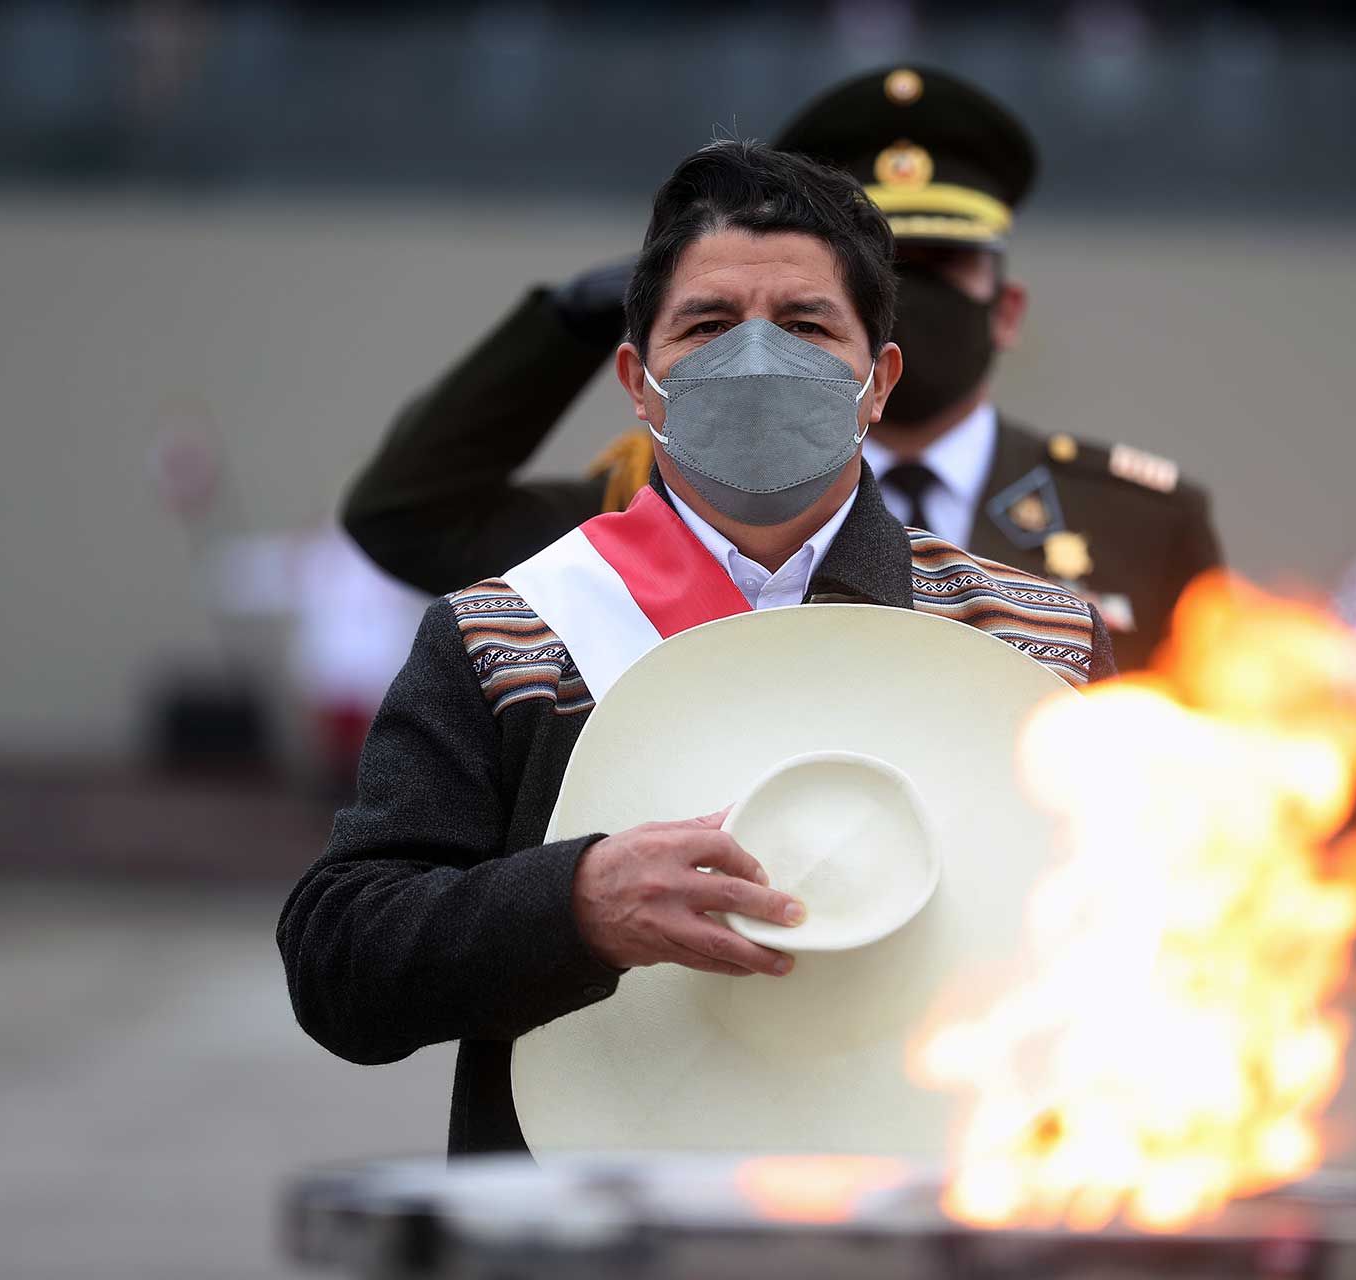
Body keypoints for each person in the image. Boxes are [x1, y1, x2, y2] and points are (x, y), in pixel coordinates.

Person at [279, 140, 1114, 1156]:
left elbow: (1130, 959)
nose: (757, 359)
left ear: (879, 378)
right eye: (709, 325)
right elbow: (338, 965)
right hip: (587, 1224)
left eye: (807, 325)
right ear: (638, 378)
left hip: (933, 1210)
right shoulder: (510, 632)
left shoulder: (1031, 640)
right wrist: (571, 905)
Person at [340, 66, 1221, 672]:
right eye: (880, 267)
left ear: (1007, 308)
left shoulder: (1139, 520)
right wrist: (564, 323)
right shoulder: (665, 502)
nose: (905, 292)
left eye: (936, 268)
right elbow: (408, 518)